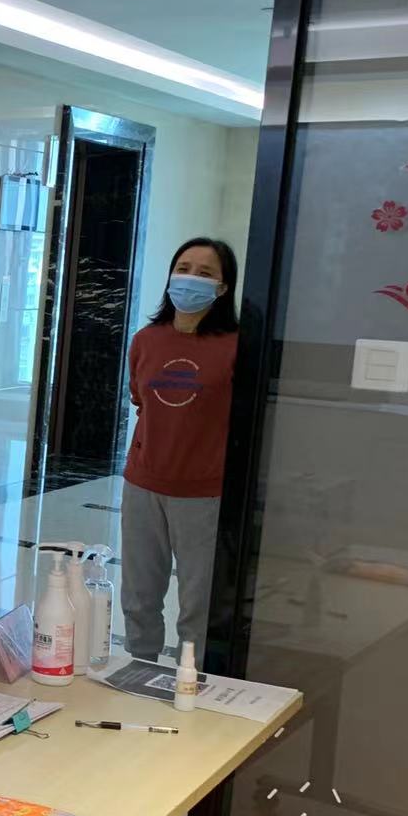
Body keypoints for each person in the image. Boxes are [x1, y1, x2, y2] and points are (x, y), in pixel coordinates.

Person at [121, 237, 239, 662]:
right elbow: (141, 399)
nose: (190, 279)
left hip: (203, 492)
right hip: (143, 482)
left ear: (222, 288)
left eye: (205, 273)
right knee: (139, 595)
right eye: (184, 268)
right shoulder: (147, 340)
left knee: (196, 605)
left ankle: (192, 680)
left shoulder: (235, 346)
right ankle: (139, 669)